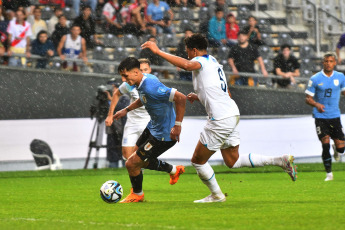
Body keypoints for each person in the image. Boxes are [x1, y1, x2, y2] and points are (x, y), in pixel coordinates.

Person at [141, 33, 297, 203]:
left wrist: (157, 51)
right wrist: (199, 96)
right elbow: (224, 91)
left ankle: (217, 195)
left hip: (221, 118)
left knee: (198, 161)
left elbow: (186, 65)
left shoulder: (200, 61)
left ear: (194, 50)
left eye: (187, 51)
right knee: (232, 160)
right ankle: (280, 160)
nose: (186, 54)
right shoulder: (213, 61)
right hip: (231, 112)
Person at [113, 57, 187, 203]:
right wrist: (126, 110)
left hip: (164, 134)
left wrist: (177, 125)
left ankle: (137, 194)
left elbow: (181, 98)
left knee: (132, 164)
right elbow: (144, 99)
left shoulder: (151, 85)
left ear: (135, 72)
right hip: (153, 127)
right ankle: (173, 170)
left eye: (125, 76)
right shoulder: (142, 82)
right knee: (134, 160)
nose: (123, 79)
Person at [305, 52, 345, 181]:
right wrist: (316, 104)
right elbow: (308, 98)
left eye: (331, 61)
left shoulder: (340, 77)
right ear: (323, 63)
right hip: (320, 116)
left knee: (341, 149)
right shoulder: (315, 79)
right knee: (325, 142)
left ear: (335, 63)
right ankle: (329, 174)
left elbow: (344, 91)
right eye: (326, 61)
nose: (328, 63)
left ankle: (336, 148)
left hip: (335, 115)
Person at [105, 58, 152, 162]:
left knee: (144, 157)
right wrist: (110, 115)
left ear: (150, 70)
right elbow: (117, 93)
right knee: (127, 156)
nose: (143, 72)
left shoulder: (153, 83)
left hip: (148, 123)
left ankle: (171, 169)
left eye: (146, 69)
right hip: (132, 123)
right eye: (141, 69)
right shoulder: (129, 84)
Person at [105, 78, 130, 168]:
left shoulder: (125, 97)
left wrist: (111, 100)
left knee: (124, 150)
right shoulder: (105, 98)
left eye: (114, 87)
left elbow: (122, 109)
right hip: (111, 129)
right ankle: (113, 166)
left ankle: (125, 166)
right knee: (112, 149)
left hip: (122, 128)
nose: (112, 90)